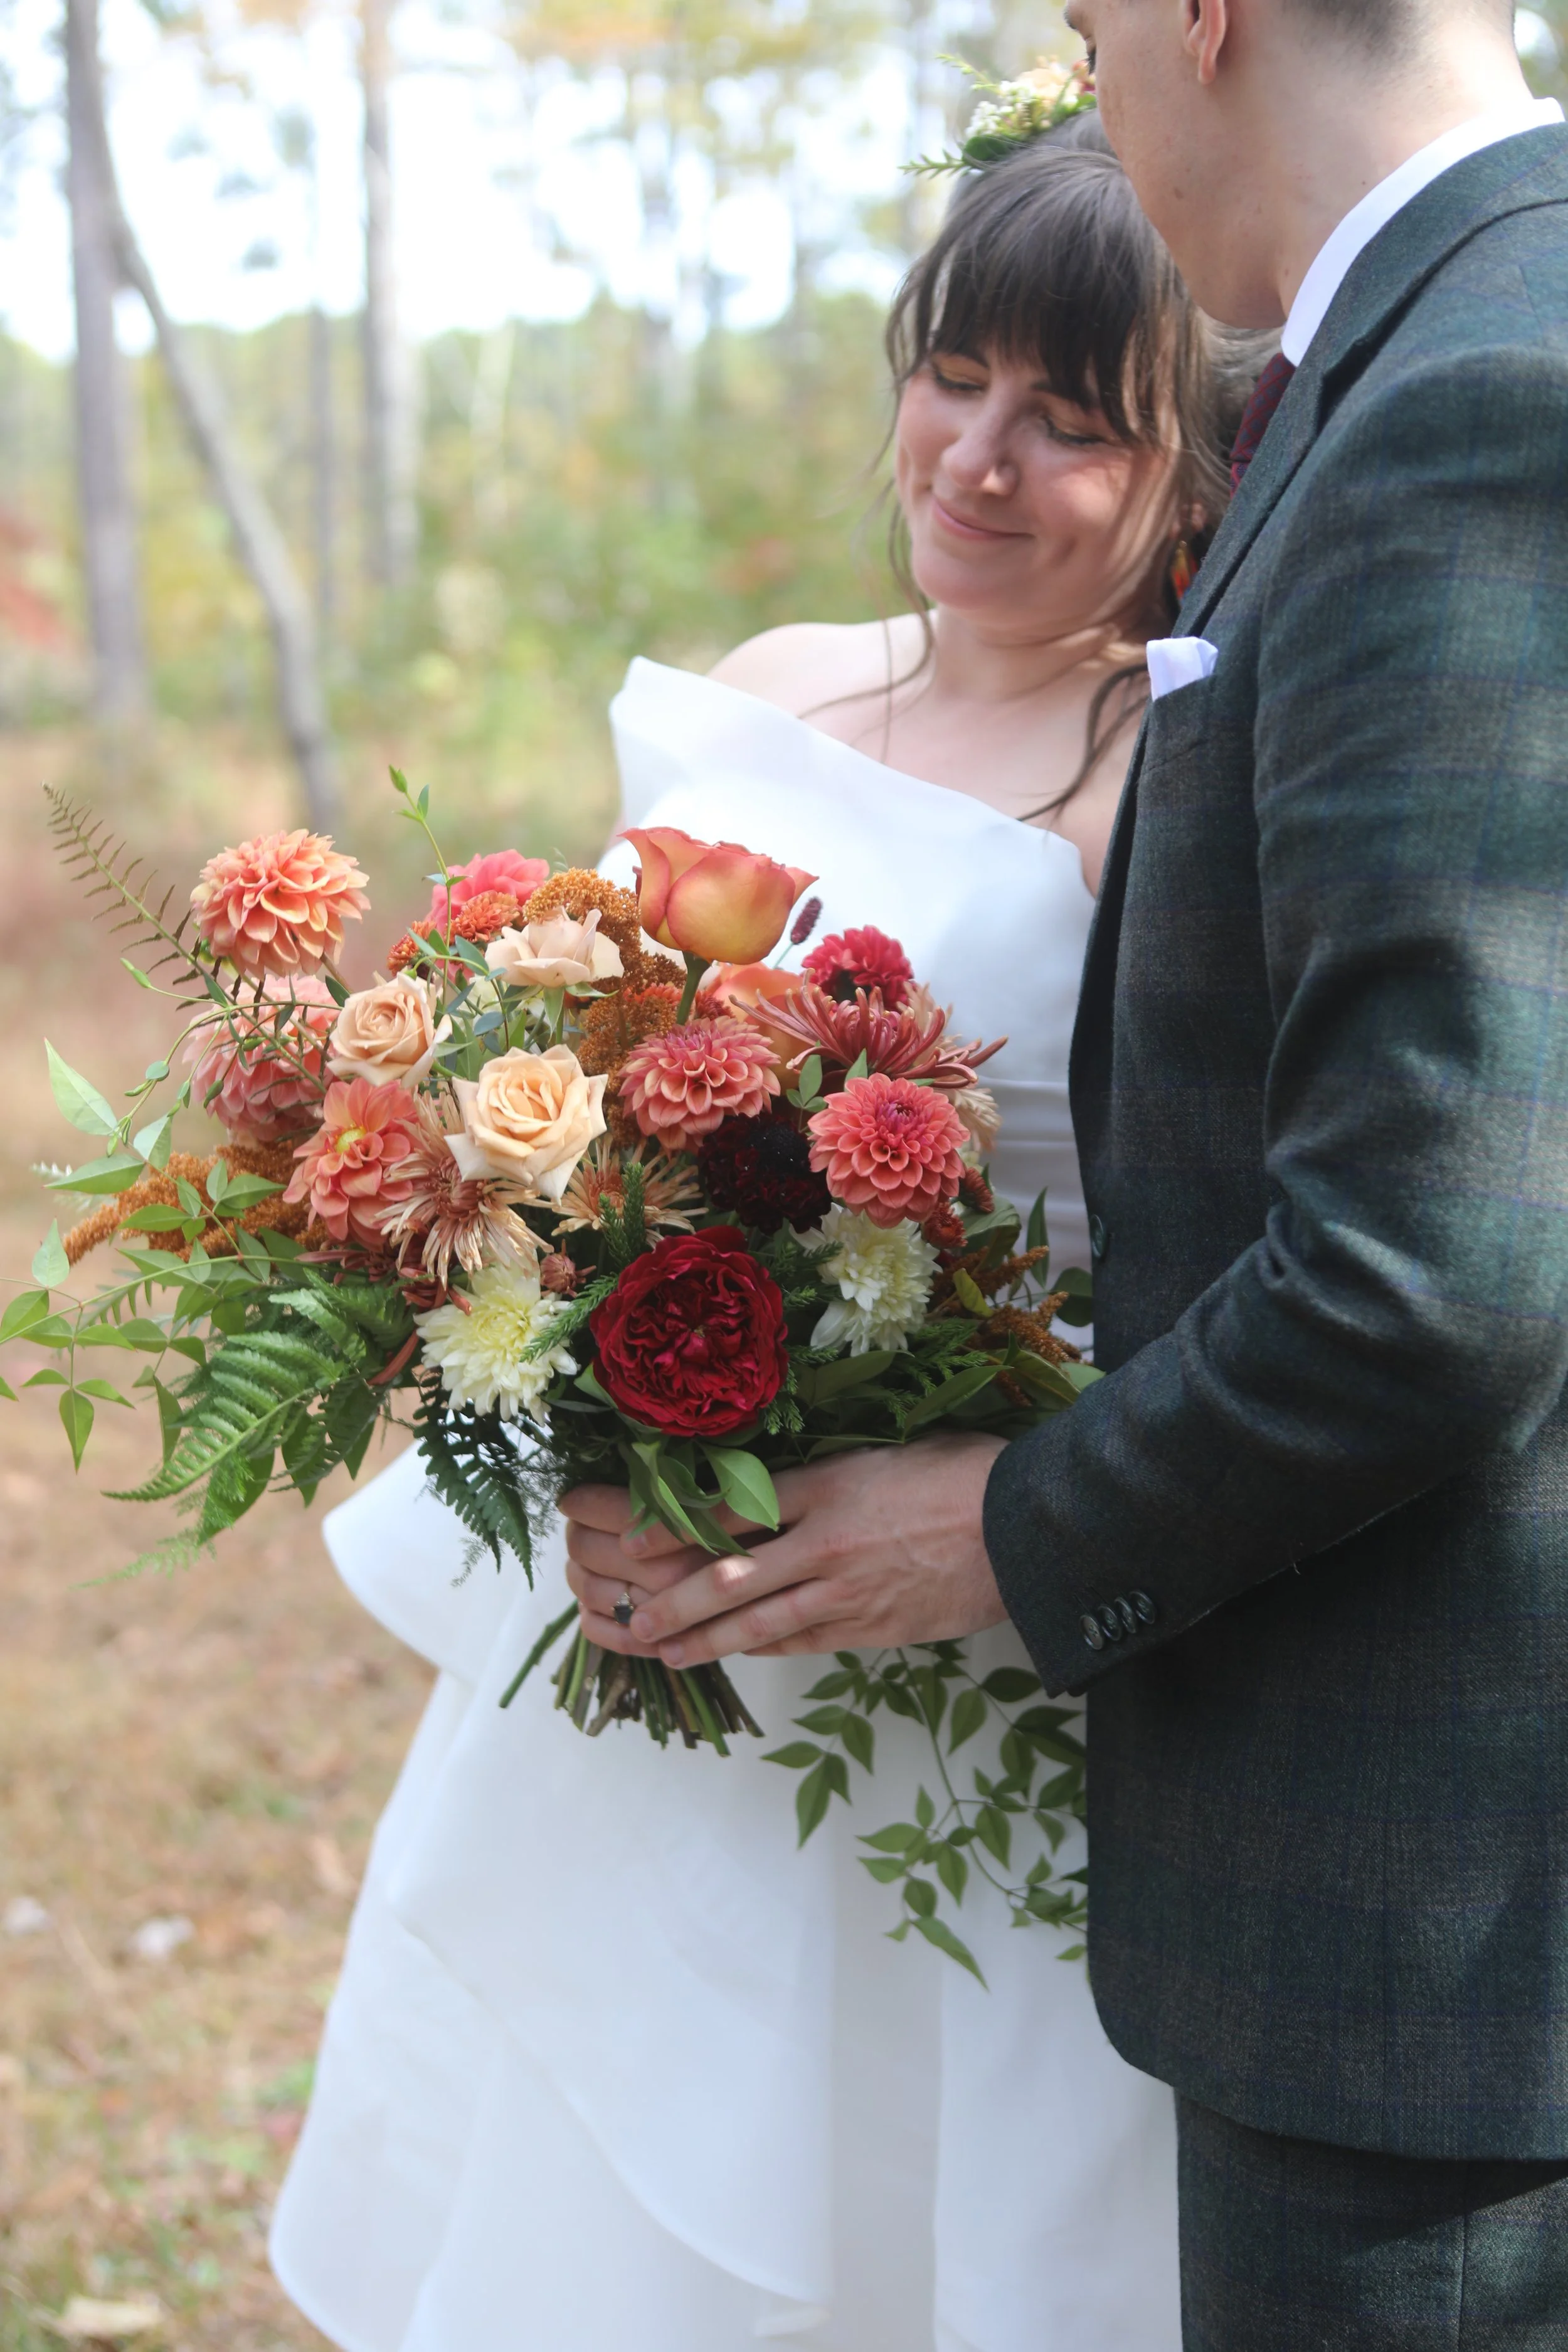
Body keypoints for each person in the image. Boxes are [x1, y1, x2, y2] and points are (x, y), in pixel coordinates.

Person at [569, 3, 1568, 2344]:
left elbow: (1441, 1256)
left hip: (1425, 1914)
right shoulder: (1402, 354)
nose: (1091, 77)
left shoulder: (1477, 401)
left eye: (1089, 25)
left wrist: (997, 1524)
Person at [269, 115, 1261, 2352]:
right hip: (653, 1545)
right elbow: (594, 1082)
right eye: (955, 376)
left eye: (1072, 425)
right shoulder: (780, 673)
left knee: (911, 2173)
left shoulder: (1169, 774)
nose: (978, 460)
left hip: (942, 1589)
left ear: (1195, 470)